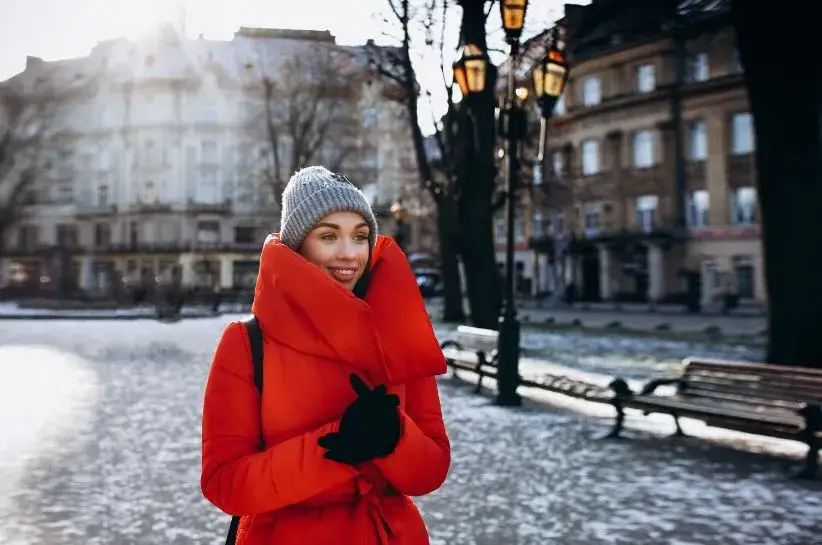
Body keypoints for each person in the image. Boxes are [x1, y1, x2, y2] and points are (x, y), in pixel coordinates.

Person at [201, 166, 451, 545]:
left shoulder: (398, 330)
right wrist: (338, 446)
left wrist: (395, 438)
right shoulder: (246, 343)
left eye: (360, 236)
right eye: (329, 236)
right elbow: (225, 483)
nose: (349, 254)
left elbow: (431, 472)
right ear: (297, 244)